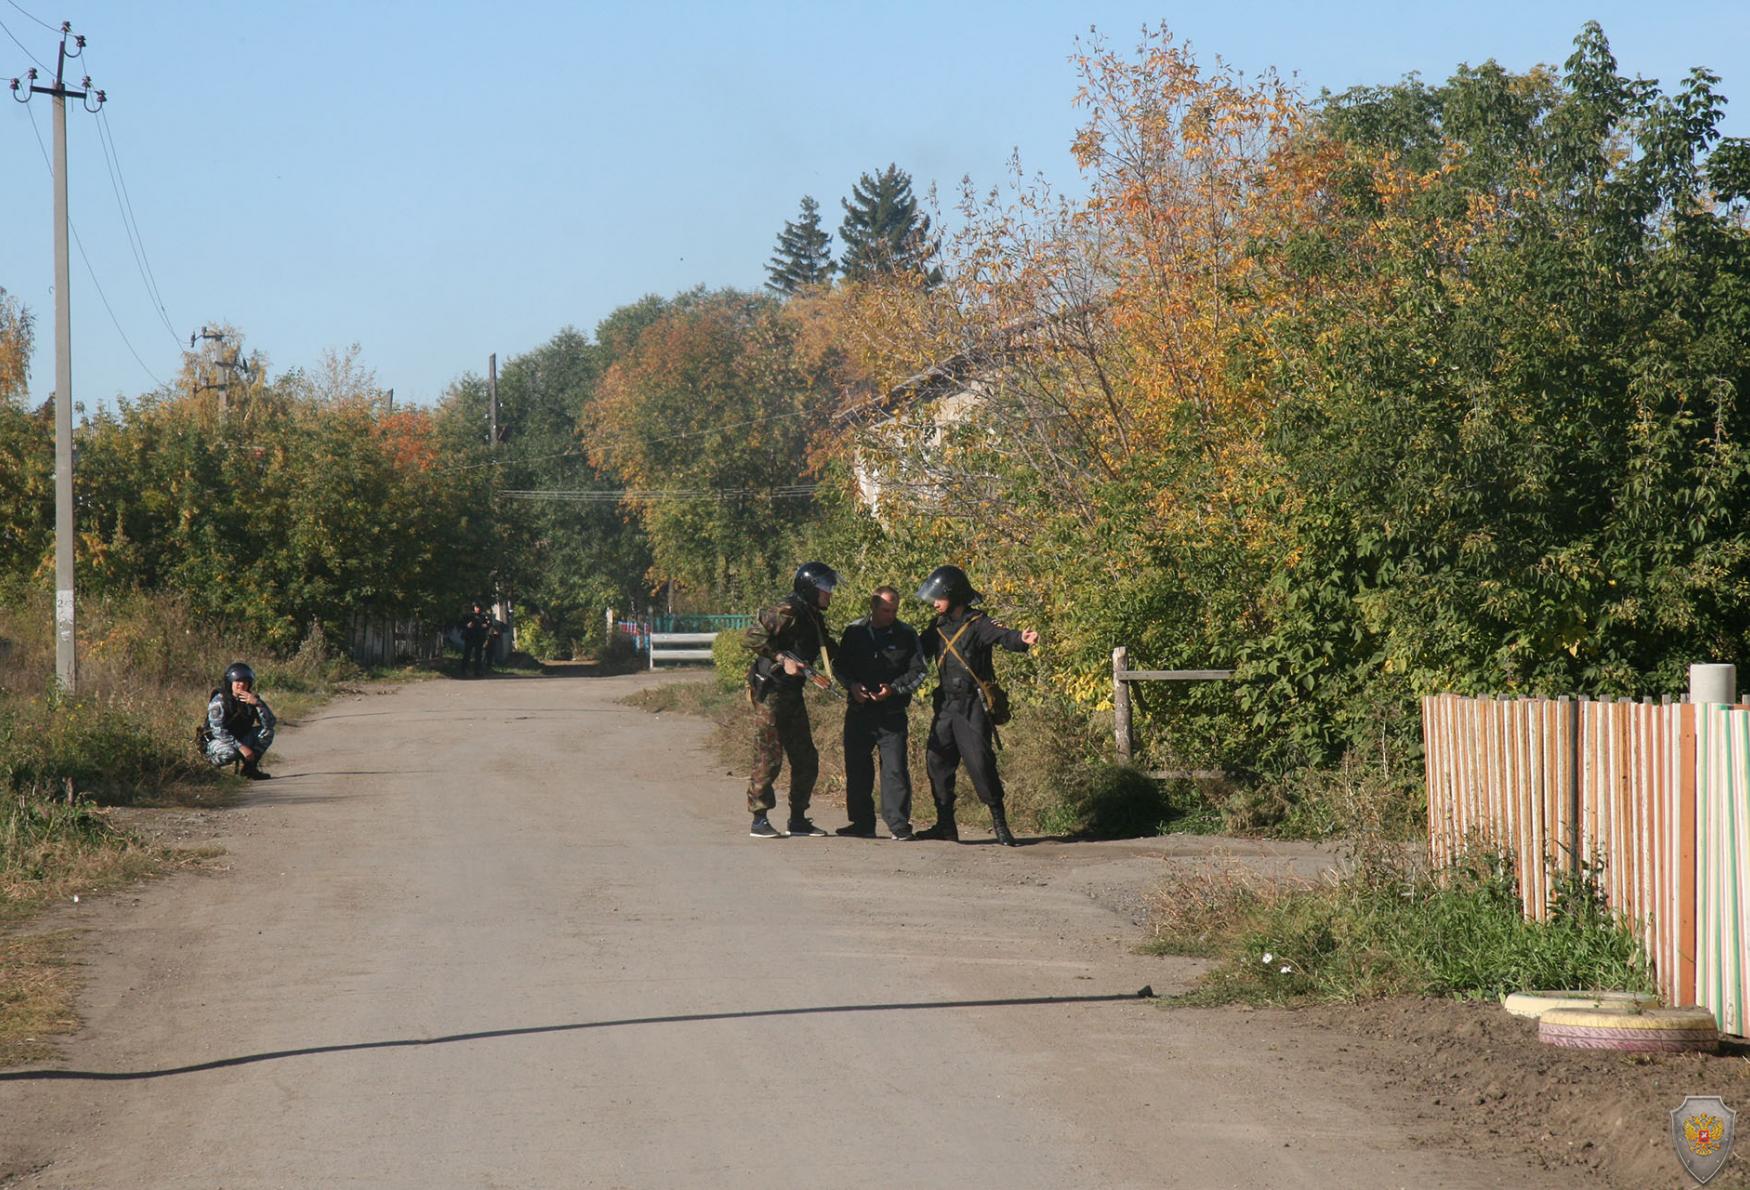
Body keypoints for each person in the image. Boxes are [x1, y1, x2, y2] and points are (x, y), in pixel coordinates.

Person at [914, 565, 1039, 846]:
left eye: (938, 598)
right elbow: (915, 651)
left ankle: (1000, 823)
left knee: (980, 764)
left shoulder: (978, 623)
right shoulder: (936, 628)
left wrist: (1021, 639)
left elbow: (1003, 636)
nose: (934, 603)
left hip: (972, 705)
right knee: (937, 763)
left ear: (954, 595)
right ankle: (945, 825)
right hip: (945, 704)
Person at [741, 561, 839, 839]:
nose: (829, 594)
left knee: (806, 757)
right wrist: (782, 659)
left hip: (792, 693)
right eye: (825, 588)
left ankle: (798, 819)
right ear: (810, 588)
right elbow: (750, 638)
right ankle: (759, 819)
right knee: (768, 757)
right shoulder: (787, 610)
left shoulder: (812, 615)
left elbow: (828, 649)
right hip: (770, 692)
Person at [831, 585, 926, 841]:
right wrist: (851, 685)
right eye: (885, 610)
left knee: (894, 768)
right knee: (857, 768)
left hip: (891, 713)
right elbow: (839, 665)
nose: (890, 615)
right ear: (873, 607)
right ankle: (862, 823)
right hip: (859, 710)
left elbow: (919, 671)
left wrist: (894, 690)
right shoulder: (854, 632)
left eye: (894, 610)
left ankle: (898, 824)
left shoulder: (906, 634)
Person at [204, 661, 277, 780]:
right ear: (230, 683)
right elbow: (217, 730)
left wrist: (259, 705)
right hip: (219, 740)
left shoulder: (251, 699)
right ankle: (208, 771)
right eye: (238, 682)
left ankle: (249, 768)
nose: (242, 685)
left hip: (241, 737)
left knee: (268, 732)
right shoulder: (220, 701)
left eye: (245, 682)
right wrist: (241, 747)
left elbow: (271, 723)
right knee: (230, 753)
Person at [461, 600, 493, 677]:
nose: (477, 609)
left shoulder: (483, 616)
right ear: (473, 608)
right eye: (476, 607)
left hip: (479, 637)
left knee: (478, 655)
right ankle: (464, 670)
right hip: (470, 637)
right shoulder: (469, 616)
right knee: (467, 654)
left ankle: (477, 671)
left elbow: (489, 624)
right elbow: (462, 624)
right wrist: (467, 625)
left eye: (478, 607)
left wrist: (486, 626)